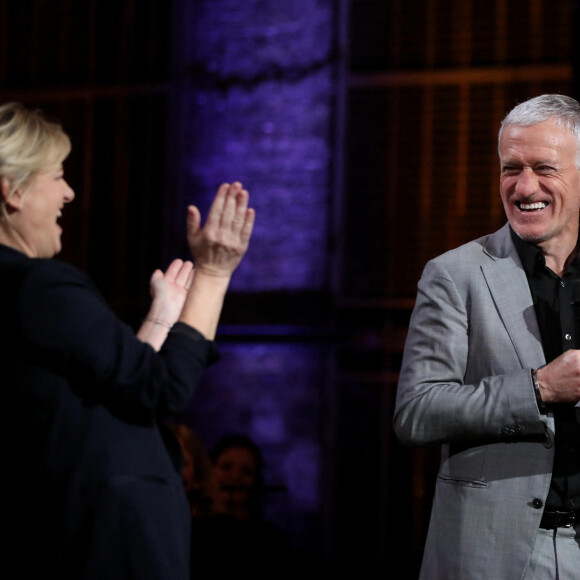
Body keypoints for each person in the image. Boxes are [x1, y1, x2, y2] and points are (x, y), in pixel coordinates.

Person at [0, 102, 254, 579]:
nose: (69, 193)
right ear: (13, 192)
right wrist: (214, 274)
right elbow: (164, 387)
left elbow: (107, 392)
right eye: (57, 176)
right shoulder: (39, 286)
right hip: (104, 543)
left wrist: (159, 321)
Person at [394, 94, 580, 579]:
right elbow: (416, 412)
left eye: (544, 168)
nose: (524, 186)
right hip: (497, 555)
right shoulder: (457, 274)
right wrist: (537, 389)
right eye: (510, 168)